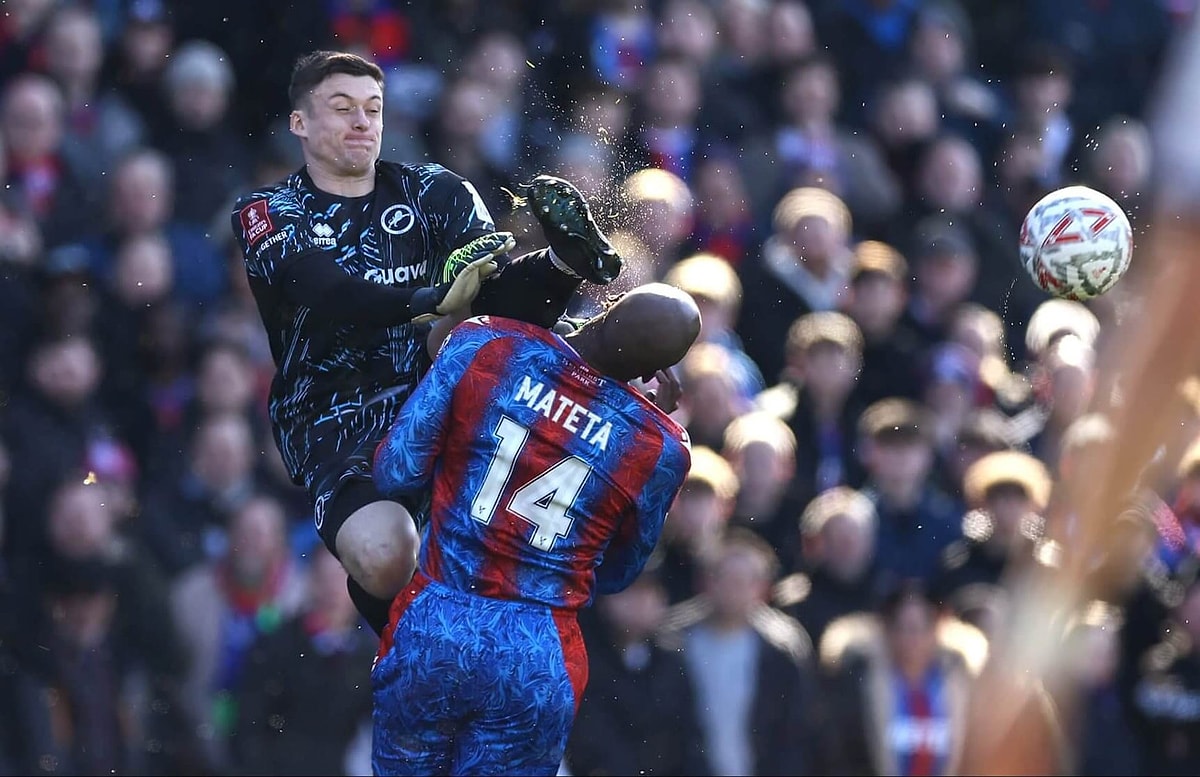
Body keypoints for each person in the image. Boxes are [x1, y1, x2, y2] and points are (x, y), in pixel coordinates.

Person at [229, 51, 623, 634]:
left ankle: (567, 262)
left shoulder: (436, 191)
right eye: (341, 109)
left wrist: (551, 271)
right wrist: (425, 299)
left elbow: (495, 306)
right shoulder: (266, 211)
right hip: (335, 422)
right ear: (300, 124)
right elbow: (327, 290)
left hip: (443, 400)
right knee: (388, 561)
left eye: (373, 109)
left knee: (484, 324)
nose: (362, 122)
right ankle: (408, 639)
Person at [370, 283, 700, 776]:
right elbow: (617, 574)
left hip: (437, 619)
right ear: (658, 373)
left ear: (607, 307)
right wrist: (644, 418)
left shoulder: (487, 344)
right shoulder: (660, 447)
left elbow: (396, 469)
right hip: (537, 654)